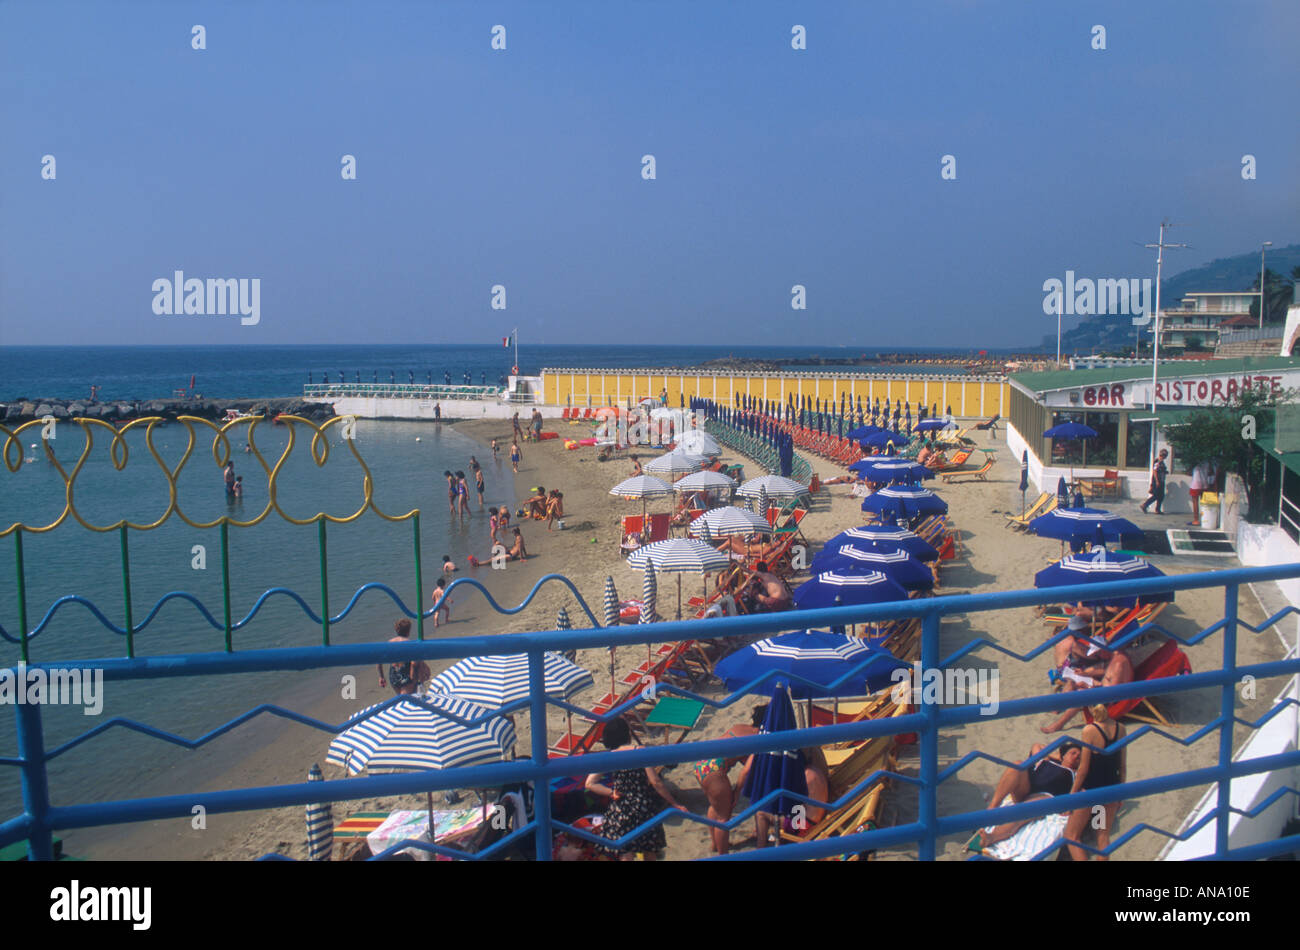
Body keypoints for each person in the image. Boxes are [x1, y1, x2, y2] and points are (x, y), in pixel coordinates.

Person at [585, 717, 687, 860]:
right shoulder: (639, 750)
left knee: (626, 852)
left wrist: (611, 792)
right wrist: (674, 803)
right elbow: (656, 782)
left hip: (622, 807)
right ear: (627, 734)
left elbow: (589, 783)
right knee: (649, 850)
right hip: (643, 807)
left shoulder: (609, 756)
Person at [980, 741, 1082, 847]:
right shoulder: (1045, 760)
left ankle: (992, 837)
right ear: (1063, 755)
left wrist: (1067, 757)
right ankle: (992, 809)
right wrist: (1058, 756)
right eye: (1073, 753)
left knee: (1023, 810)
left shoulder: (1075, 774)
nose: (1076, 756)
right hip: (1028, 789)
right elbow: (1037, 745)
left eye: (1079, 757)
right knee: (1017, 764)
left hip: (1044, 797)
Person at [691, 706, 763, 854]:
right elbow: (746, 771)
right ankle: (723, 855)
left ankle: (715, 844)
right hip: (715, 770)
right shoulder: (758, 739)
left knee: (715, 807)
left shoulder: (740, 727)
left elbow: (739, 755)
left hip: (702, 763)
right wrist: (737, 793)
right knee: (724, 817)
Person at [1064, 704, 1126, 861]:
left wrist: (1072, 796)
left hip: (1090, 790)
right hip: (1111, 789)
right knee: (1103, 837)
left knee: (1072, 836)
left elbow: (1084, 768)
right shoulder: (1121, 728)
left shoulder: (1089, 730)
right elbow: (1122, 765)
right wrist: (1121, 793)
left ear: (1091, 708)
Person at [376, 618, 430, 695]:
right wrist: (425, 669)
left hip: (394, 674)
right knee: (410, 699)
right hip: (406, 674)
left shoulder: (388, 643)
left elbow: (379, 661)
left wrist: (381, 677)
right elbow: (416, 662)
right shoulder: (409, 644)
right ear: (409, 630)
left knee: (402, 700)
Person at [1139, 448, 1168, 514]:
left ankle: (1157, 509)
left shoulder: (1162, 462)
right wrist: (1157, 481)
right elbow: (1155, 471)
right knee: (1156, 495)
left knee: (1161, 496)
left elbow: (1161, 470)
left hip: (1162, 480)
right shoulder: (1157, 461)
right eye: (1164, 455)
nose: (1164, 457)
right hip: (1157, 481)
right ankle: (1144, 505)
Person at [1189, 459, 1210, 525]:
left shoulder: (1194, 461)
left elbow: (1188, 472)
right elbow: (1211, 472)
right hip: (1205, 484)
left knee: (1195, 502)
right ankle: (1205, 519)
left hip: (1195, 484)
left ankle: (1196, 520)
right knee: (1205, 503)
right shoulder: (1207, 462)